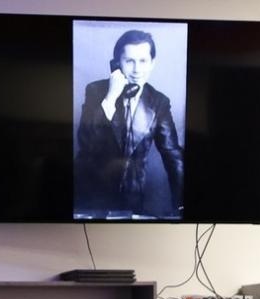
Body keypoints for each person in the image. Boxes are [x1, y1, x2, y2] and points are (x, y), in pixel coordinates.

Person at [73, 28, 184, 220]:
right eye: (129, 61)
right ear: (117, 64)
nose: (137, 69)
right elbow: (86, 143)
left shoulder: (159, 102)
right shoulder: (95, 91)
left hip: (133, 201)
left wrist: (182, 203)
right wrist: (110, 97)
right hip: (91, 198)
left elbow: (173, 155)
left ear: (152, 63)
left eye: (143, 61)